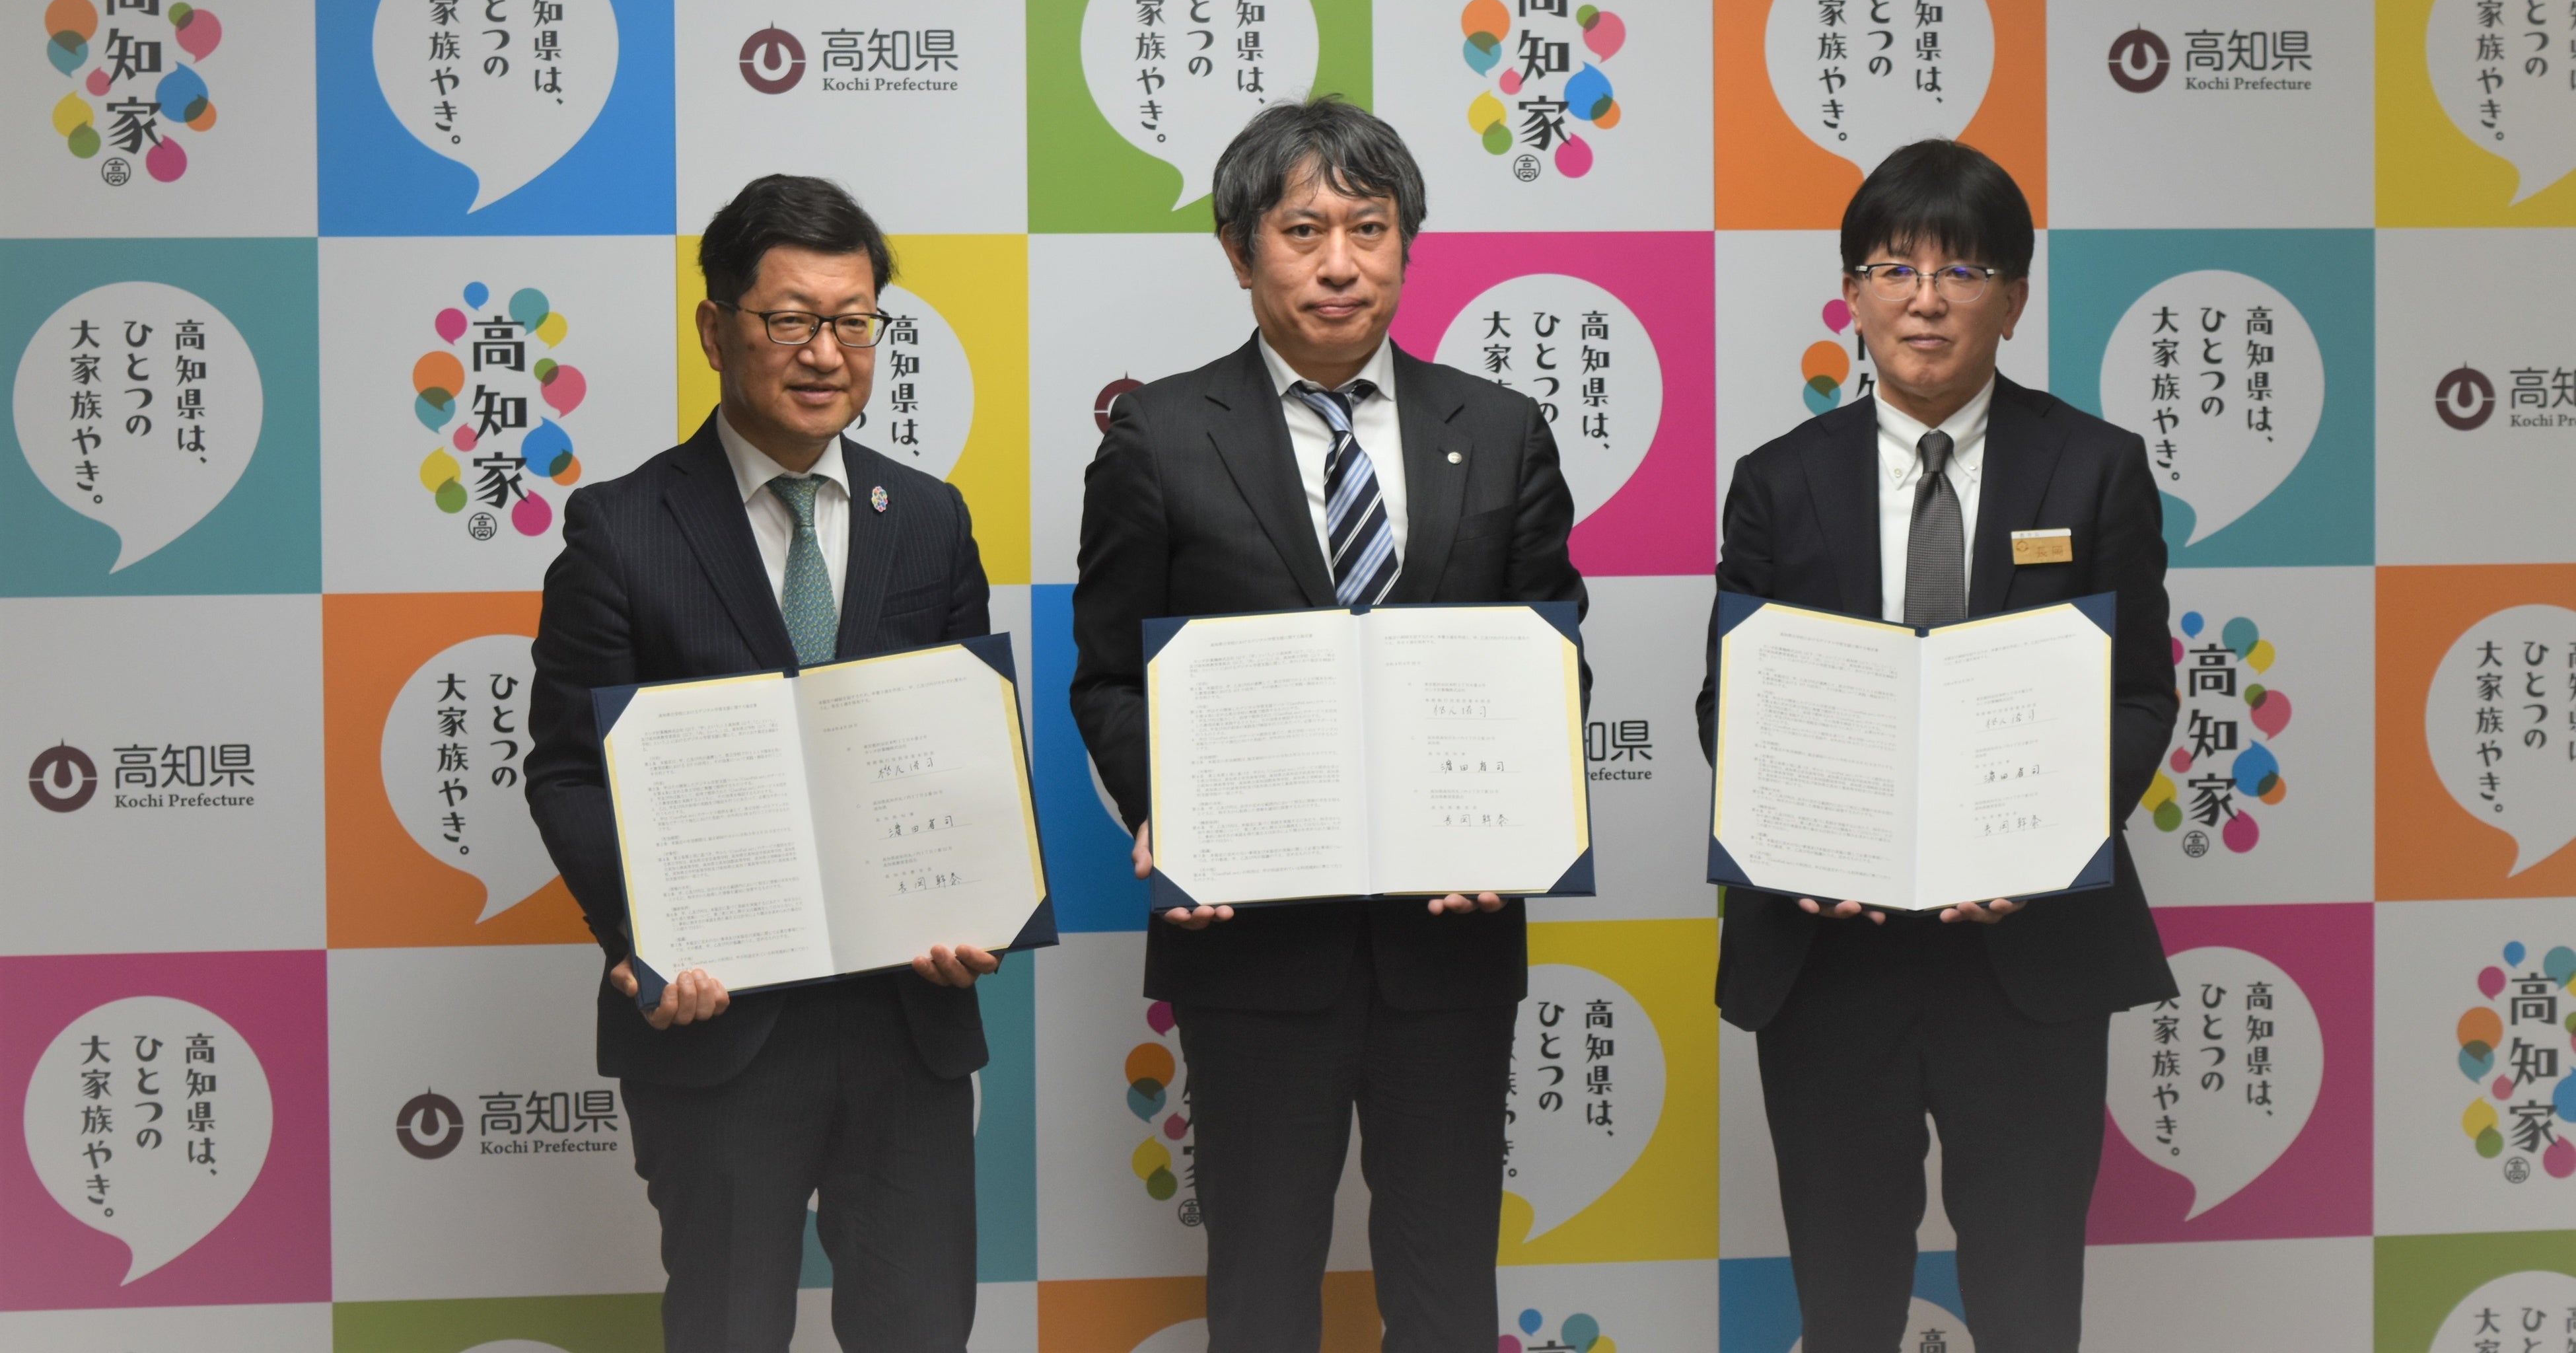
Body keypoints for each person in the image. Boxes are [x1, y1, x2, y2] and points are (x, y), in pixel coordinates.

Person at [1070, 97, 1589, 1352]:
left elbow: (1551, 657)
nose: (1341, 262)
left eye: (1370, 227)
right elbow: (1109, 676)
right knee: (1259, 1284)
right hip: (1251, 942)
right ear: (1239, 250)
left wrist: (1510, 824)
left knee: (1448, 1281)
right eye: (1304, 231)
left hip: (1450, 940)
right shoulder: (1159, 437)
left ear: (1408, 242)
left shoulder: (1500, 429)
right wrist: (1172, 813)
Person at [1696, 139, 2179, 1352]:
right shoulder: (1776, 482)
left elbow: (2138, 698)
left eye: (1962, 271)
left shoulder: (2095, 467)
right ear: (1851, 295)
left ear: (2013, 300)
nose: (1925, 300)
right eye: (1894, 269)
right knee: (1844, 1300)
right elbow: (1735, 704)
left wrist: (2046, 842)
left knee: (2030, 1298)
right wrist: (1795, 843)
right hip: (1829, 956)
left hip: (2029, 957)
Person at [527, 175, 999, 1353]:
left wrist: (975, 904)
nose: (825, 353)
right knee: (729, 1327)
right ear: (716, 329)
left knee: (923, 1330)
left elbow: (959, 751)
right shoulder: (621, 529)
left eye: (853, 321)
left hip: (907, 1019)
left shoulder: (929, 518)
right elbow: (570, 773)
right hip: (718, 1025)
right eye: (789, 319)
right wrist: (647, 938)